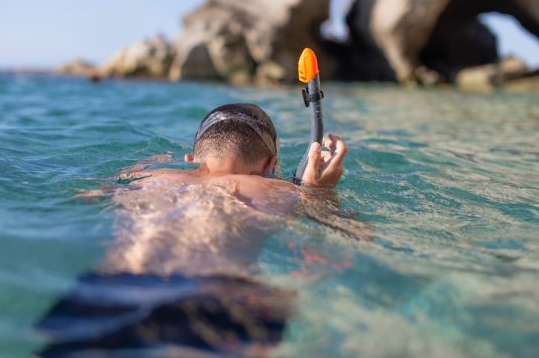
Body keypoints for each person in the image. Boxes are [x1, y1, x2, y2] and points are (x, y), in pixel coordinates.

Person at [36, 103, 355, 357]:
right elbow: (351, 234)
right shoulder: (280, 192)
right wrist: (319, 192)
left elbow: (84, 197)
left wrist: (136, 169)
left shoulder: (146, 179)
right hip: (213, 295)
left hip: (112, 290)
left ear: (190, 159)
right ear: (271, 165)